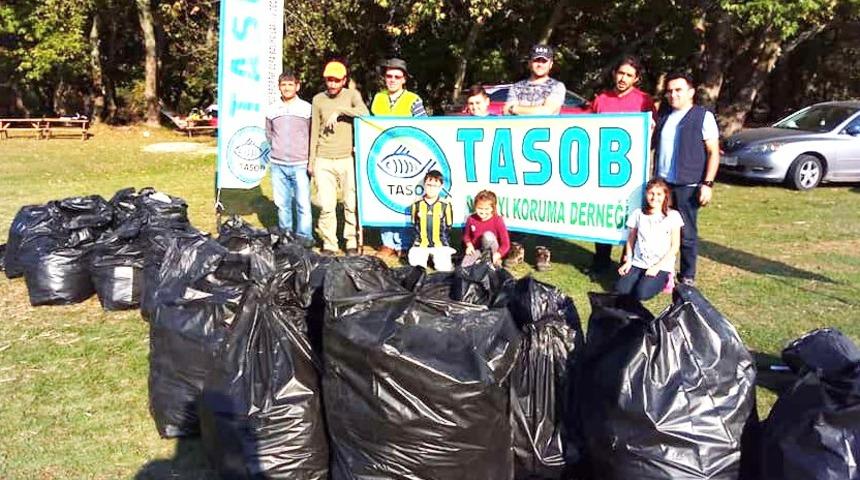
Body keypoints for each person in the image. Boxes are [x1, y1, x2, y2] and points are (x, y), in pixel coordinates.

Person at [588, 55, 655, 275]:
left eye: (629, 75)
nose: (623, 78)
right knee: (603, 212)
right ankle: (601, 260)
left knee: (632, 215)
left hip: (632, 171)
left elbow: (652, 134)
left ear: (636, 79)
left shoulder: (644, 100)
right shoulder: (602, 99)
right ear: (614, 73)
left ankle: (627, 261)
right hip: (603, 168)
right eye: (620, 73)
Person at [502, 43, 566, 271]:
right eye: (536, 60)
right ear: (530, 62)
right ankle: (516, 248)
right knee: (516, 198)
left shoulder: (557, 86)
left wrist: (518, 109)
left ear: (550, 63)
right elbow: (505, 110)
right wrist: (534, 107)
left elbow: (547, 111)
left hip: (547, 151)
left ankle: (542, 252)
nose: (539, 64)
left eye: (544, 60)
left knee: (544, 201)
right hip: (518, 149)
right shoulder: (517, 86)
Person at [653, 71, 720, 286]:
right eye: (669, 91)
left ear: (691, 92)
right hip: (663, 184)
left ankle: (688, 275)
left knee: (686, 232)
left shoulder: (702, 116)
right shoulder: (664, 118)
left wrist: (707, 184)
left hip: (688, 184)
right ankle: (664, 272)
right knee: (661, 230)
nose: (673, 95)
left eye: (678, 90)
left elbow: (713, 152)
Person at [309, 60, 369, 256]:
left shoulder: (352, 95)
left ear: (344, 80)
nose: (332, 84)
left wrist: (340, 111)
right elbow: (314, 130)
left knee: (350, 202)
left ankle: (351, 240)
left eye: (336, 80)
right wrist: (311, 161)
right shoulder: (318, 99)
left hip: (347, 158)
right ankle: (329, 243)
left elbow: (365, 113)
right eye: (329, 80)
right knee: (327, 205)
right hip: (323, 159)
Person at [370, 57, 428, 259]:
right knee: (384, 196)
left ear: (404, 80)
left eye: (397, 76)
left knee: (405, 199)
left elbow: (425, 127)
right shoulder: (378, 98)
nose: (392, 79)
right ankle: (387, 243)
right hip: (383, 156)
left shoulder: (414, 100)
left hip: (409, 156)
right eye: (389, 76)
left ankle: (404, 243)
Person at [265, 70, 314, 248]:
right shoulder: (271, 109)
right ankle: (285, 235)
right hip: (278, 164)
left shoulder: (307, 109)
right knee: (282, 204)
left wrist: (309, 159)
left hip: (300, 164)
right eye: (283, 85)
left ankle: (305, 237)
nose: (286, 88)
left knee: (302, 203)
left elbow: (311, 134)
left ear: (297, 86)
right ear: (279, 87)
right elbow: (269, 134)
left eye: (290, 84)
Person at [615, 178, 683, 300]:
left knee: (641, 294)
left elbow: (675, 246)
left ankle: (667, 279)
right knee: (621, 290)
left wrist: (657, 267)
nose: (654, 198)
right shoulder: (638, 214)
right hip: (638, 262)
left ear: (665, 195)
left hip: (661, 265)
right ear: (646, 194)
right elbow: (631, 239)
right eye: (651, 193)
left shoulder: (673, 215)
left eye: (659, 194)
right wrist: (628, 261)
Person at [407, 170, 455, 271]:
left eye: (435, 186)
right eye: (429, 185)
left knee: (444, 269)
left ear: (441, 187)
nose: (431, 188)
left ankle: (439, 258)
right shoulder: (417, 204)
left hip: (440, 243)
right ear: (424, 185)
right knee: (416, 270)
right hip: (421, 243)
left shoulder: (446, 204)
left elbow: (449, 226)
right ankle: (423, 257)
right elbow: (414, 224)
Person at [462, 190, 511, 268]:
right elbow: (466, 236)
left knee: (488, 235)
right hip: (477, 250)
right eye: (480, 208)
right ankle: (481, 261)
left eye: (486, 209)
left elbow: (506, 244)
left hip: (492, 251)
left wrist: (497, 255)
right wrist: (469, 245)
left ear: (492, 208)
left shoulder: (498, 220)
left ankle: (494, 263)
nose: (483, 212)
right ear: (475, 207)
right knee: (464, 267)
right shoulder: (471, 219)